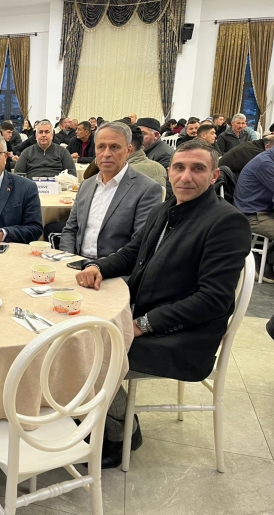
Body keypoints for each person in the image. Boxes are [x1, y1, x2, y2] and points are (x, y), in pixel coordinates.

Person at [75, 139, 251, 468]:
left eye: (197, 169)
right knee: (77, 331)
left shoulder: (226, 222)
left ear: (214, 175)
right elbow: (133, 253)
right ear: (169, 172)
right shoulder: (167, 208)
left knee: (90, 352)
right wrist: (98, 267)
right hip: (151, 315)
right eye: (179, 168)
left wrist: (143, 324)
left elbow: (212, 299)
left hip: (185, 337)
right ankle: (91, 411)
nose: (186, 176)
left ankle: (121, 435)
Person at [58, 122, 162, 258]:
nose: (106, 154)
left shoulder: (146, 189)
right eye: (101, 147)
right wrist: (67, 259)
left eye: (114, 147)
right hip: (76, 262)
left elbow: (139, 243)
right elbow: (70, 230)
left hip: (116, 267)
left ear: (128, 150)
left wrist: (99, 267)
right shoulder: (86, 185)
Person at [234, 145, 274, 283]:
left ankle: (267, 257)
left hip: (264, 211)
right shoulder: (265, 164)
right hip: (252, 216)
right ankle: (262, 260)